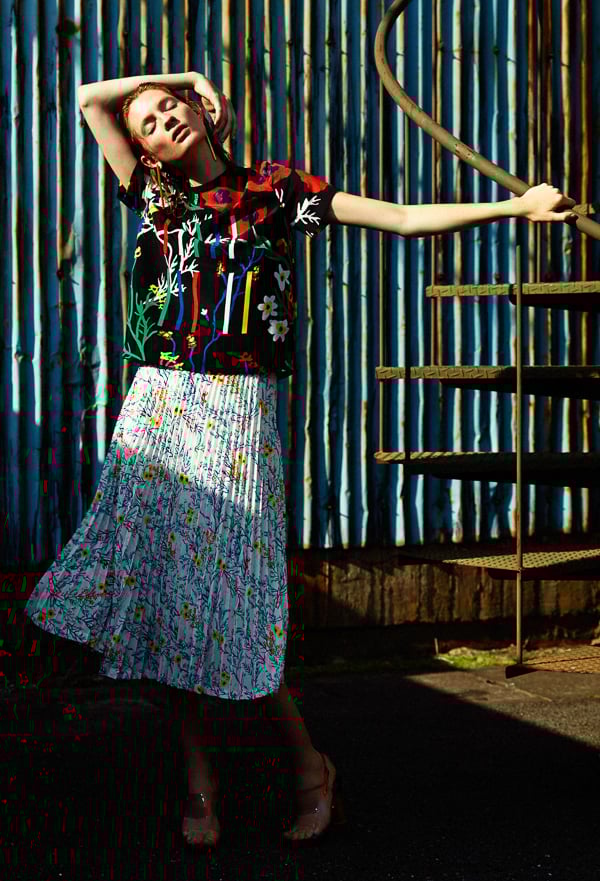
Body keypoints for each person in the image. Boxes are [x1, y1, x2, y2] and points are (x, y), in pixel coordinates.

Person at [24, 70, 577, 850]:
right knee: (162, 602)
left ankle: (311, 767)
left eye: (170, 105)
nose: (162, 119)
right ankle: (199, 781)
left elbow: (401, 217)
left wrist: (515, 207)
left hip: (238, 407)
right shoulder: (152, 197)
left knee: (236, 599)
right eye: (147, 121)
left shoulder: (276, 191)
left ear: (198, 113)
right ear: (144, 151)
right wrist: (184, 74)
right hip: (156, 406)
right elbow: (89, 99)